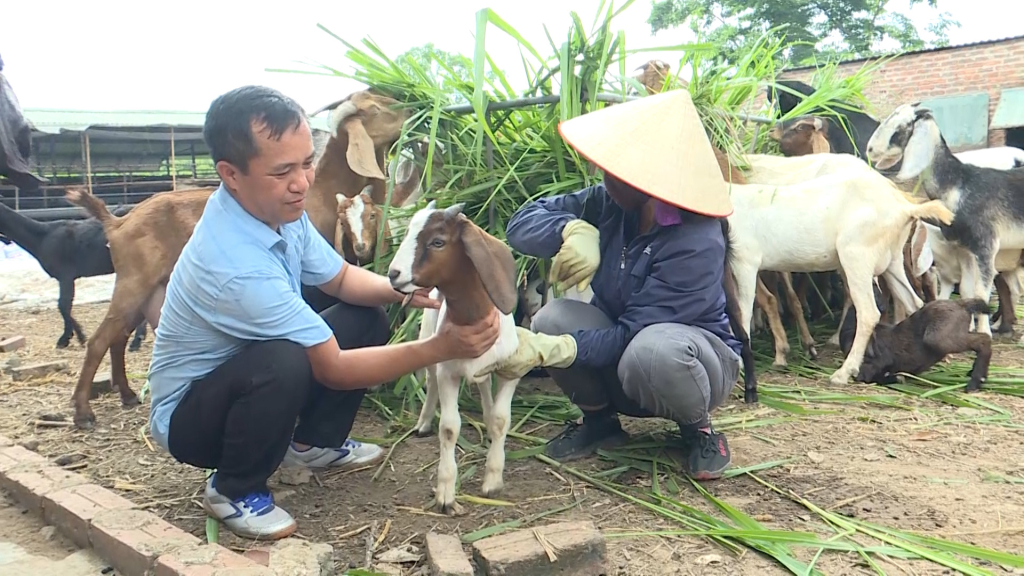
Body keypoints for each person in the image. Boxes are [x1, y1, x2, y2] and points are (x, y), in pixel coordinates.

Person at [146, 85, 502, 541]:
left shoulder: (276, 212)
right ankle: (232, 486)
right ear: (231, 174)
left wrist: (404, 291)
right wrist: (441, 347)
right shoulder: (233, 263)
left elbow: (340, 279)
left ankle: (312, 444)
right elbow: (333, 368)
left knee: (366, 312)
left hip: (239, 376)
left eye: (306, 163)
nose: (302, 182)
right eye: (282, 171)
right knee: (285, 360)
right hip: (192, 420)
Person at [487, 89, 743, 480]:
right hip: (626, 352)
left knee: (654, 350)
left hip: (692, 362)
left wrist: (554, 350)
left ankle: (699, 430)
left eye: (618, 170)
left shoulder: (696, 239)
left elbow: (632, 334)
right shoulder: (610, 203)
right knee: (552, 317)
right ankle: (600, 423)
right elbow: (521, 223)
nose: (605, 179)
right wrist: (569, 228)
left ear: (655, 177)